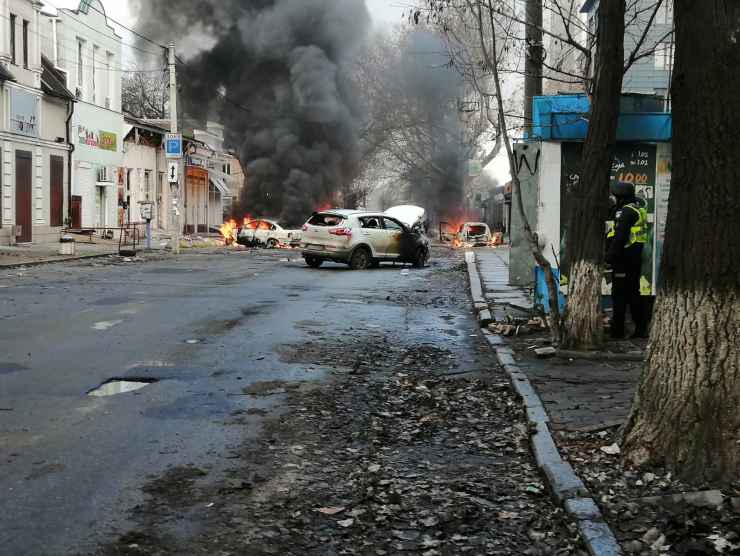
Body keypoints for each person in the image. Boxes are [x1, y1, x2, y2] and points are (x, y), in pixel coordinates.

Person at [605, 181, 648, 339]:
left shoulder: (627, 212)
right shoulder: (634, 208)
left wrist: (609, 257)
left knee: (620, 295)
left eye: (614, 196)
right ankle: (640, 329)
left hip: (624, 258)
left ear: (621, 197)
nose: (612, 198)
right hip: (633, 257)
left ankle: (618, 332)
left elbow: (620, 237)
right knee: (633, 293)